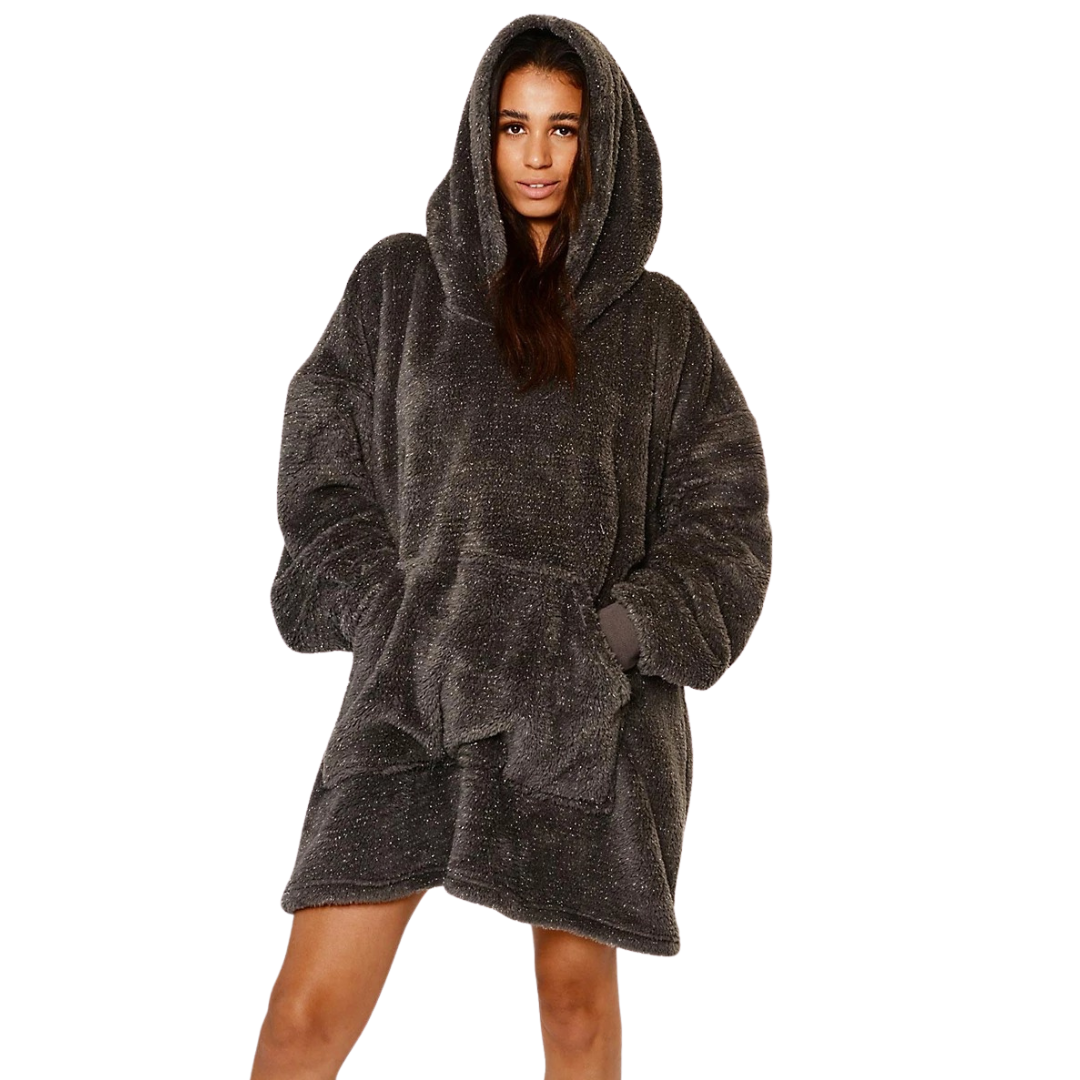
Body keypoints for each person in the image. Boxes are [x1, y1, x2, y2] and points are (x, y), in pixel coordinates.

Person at [251, 13, 771, 1079]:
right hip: (415, 690)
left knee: (574, 1011)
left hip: (578, 707)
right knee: (305, 1016)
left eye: (563, 129)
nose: (537, 155)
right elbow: (321, 465)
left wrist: (617, 638)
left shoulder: (657, 326)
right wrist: (384, 609)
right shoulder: (398, 288)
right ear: (480, 135)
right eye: (514, 126)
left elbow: (726, 517)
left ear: (600, 142)